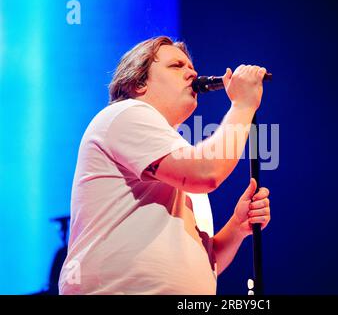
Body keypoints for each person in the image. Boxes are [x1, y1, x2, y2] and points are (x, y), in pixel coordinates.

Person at [58, 36, 271, 294]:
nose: (191, 72)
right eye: (176, 66)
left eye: (191, 67)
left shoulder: (177, 157)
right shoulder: (126, 114)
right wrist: (243, 104)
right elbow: (208, 172)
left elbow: (206, 265)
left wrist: (237, 227)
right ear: (138, 82)